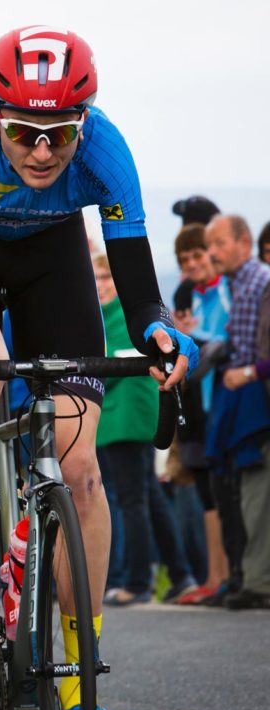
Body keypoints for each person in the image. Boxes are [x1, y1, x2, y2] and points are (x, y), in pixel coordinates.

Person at [0, 27, 197, 710]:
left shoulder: (108, 152)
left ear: (84, 123)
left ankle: (78, 688)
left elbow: (142, 299)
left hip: (51, 262)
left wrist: (160, 333)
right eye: (24, 133)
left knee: (81, 472)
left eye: (61, 133)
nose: (42, 152)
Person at [93, 254, 197, 607]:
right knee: (148, 498)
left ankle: (137, 582)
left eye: (107, 277)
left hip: (128, 419)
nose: (101, 285)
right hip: (119, 419)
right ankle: (180, 575)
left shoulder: (126, 316)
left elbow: (107, 366)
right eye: (96, 278)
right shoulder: (106, 315)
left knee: (131, 501)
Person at [206, 215, 270, 610]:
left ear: (244, 242)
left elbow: (255, 354)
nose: (212, 253)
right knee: (247, 492)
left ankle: (258, 581)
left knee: (256, 493)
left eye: (219, 243)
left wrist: (245, 373)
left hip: (257, 397)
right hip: (248, 398)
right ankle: (249, 576)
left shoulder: (259, 282)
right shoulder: (240, 284)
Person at [170, 224, 232, 604]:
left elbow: (226, 341)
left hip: (225, 403)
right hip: (196, 409)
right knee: (208, 493)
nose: (192, 264)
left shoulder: (227, 289)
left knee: (226, 493)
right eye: (185, 260)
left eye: (197, 255)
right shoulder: (186, 295)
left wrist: (192, 339)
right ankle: (215, 578)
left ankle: (229, 577)